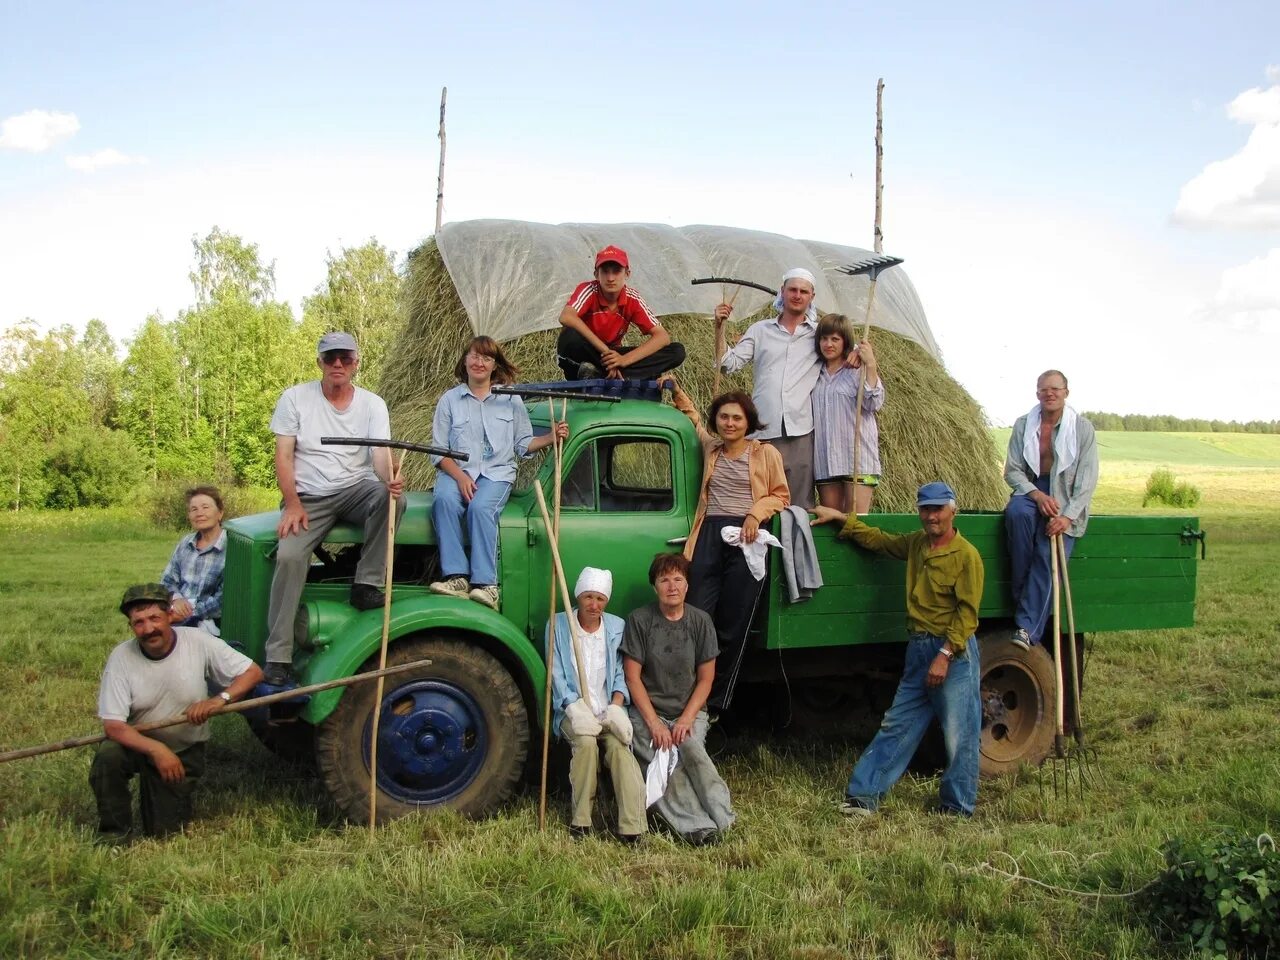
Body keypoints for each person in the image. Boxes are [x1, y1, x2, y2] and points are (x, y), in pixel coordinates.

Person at [813, 482, 985, 817]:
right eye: (925, 509)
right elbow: (880, 541)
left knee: (959, 734)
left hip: (951, 653)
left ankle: (957, 806)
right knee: (898, 724)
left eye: (938, 509)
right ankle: (863, 797)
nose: (931, 516)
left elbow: (967, 615)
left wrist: (945, 655)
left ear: (953, 510)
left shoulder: (966, 556)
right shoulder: (918, 545)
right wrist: (839, 518)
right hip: (919, 649)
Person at [264, 331, 405, 686]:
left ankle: (366, 583)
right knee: (290, 557)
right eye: (330, 358)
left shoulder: (373, 404)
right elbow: (283, 456)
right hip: (308, 495)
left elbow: (378, 456)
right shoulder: (295, 399)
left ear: (356, 362)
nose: (338, 364)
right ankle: (277, 655)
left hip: (355, 488)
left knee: (394, 501)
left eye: (345, 357)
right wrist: (292, 503)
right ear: (320, 363)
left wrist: (389, 479)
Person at [91, 584, 263, 842]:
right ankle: (114, 834)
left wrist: (219, 700)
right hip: (139, 744)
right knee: (108, 756)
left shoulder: (198, 641)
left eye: (154, 618)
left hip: (184, 749)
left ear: (170, 615)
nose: (148, 629)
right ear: (131, 627)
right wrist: (156, 750)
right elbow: (113, 726)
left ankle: (162, 800)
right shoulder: (121, 658)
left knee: (163, 834)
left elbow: (253, 672)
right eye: (138, 622)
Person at [664, 377, 789, 711]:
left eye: (736, 418)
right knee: (697, 616)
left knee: (732, 625)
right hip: (709, 536)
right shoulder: (712, 448)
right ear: (716, 420)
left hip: (746, 538)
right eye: (723, 417)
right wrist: (676, 391)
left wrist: (754, 515)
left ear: (748, 421)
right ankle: (689, 697)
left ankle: (716, 704)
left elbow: (780, 495)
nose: (730, 423)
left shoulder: (765, 454)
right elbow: (691, 418)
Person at [429, 336, 567, 609]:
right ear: (465, 359)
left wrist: (551, 436)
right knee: (443, 500)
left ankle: (486, 584)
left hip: (496, 473)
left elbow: (523, 444)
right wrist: (460, 477)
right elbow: (439, 452)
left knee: (480, 508)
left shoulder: (510, 399)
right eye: (474, 356)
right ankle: (456, 577)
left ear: (495, 365)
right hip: (457, 471)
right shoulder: (450, 400)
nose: (479, 362)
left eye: (487, 358)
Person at [622, 553, 735, 845]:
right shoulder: (640, 621)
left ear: (687, 586)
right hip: (649, 713)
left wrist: (685, 719)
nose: (671, 586)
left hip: (689, 711)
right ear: (654, 586)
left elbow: (707, 678)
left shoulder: (700, 621)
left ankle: (722, 815)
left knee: (691, 750)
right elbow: (633, 678)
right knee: (664, 760)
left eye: (678, 579)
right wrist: (655, 724)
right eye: (664, 580)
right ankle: (695, 827)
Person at [547, 566, 647, 842]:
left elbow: (620, 673)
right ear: (578, 596)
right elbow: (555, 673)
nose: (594, 605)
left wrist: (616, 706)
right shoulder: (559, 624)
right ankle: (581, 822)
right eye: (588, 597)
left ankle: (633, 826)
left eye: (600, 599)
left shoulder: (616, 627)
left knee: (619, 748)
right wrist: (573, 707)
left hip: (607, 709)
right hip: (574, 710)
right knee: (587, 744)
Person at [715, 267, 828, 509]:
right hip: (763, 430)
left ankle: (796, 547)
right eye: (792, 290)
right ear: (782, 292)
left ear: (812, 297)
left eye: (803, 291)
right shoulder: (760, 330)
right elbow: (728, 364)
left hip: (800, 430)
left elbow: (841, 357)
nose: (797, 295)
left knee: (799, 504)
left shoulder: (819, 334)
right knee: (759, 499)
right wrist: (719, 328)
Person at [1003, 370, 1099, 650]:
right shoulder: (1024, 425)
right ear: (1037, 394)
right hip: (1032, 489)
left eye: (1055, 389)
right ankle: (1026, 602)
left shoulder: (1082, 429)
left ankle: (1026, 627)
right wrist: (1036, 494)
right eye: (1044, 389)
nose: (1050, 393)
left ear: (1066, 392)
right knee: (1017, 515)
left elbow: (1086, 479)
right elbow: (1013, 471)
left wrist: (1067, 516)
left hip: (1065, 497)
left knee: (1049, 552)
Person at [557, 245, 686, 381]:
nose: (610, 278)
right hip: (590, 353)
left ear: (627, 274)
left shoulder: (633, 298)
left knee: (676, 351)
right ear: (596, 275)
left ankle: (607, 373)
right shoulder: (589, 290)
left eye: (616, 271)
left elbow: (662, 337)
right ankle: (626, 374)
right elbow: (566, 317)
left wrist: (623, 360)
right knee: (570, 335)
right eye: (605, 272)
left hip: (612, 357)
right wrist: (605, 351)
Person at [812, 314, 885, 515]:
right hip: (825, 460)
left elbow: (874, 402)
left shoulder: (856, 370)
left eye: (835, 339)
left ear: (845, 341)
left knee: (856, 524)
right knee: (832, 524)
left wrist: (870, 364)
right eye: (824, 338)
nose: (828, 344)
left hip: (858, 459)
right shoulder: (814, 373)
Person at [159, 485, 228, 636]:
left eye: (205, 507)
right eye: (194, 509)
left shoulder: (231, 547)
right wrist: (176, 600)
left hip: (208, 623)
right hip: (175, 612)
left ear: (220, 513)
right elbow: (167, 580)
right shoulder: (186, 543)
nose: (199, 513)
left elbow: (224, 599)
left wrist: (190, 613)